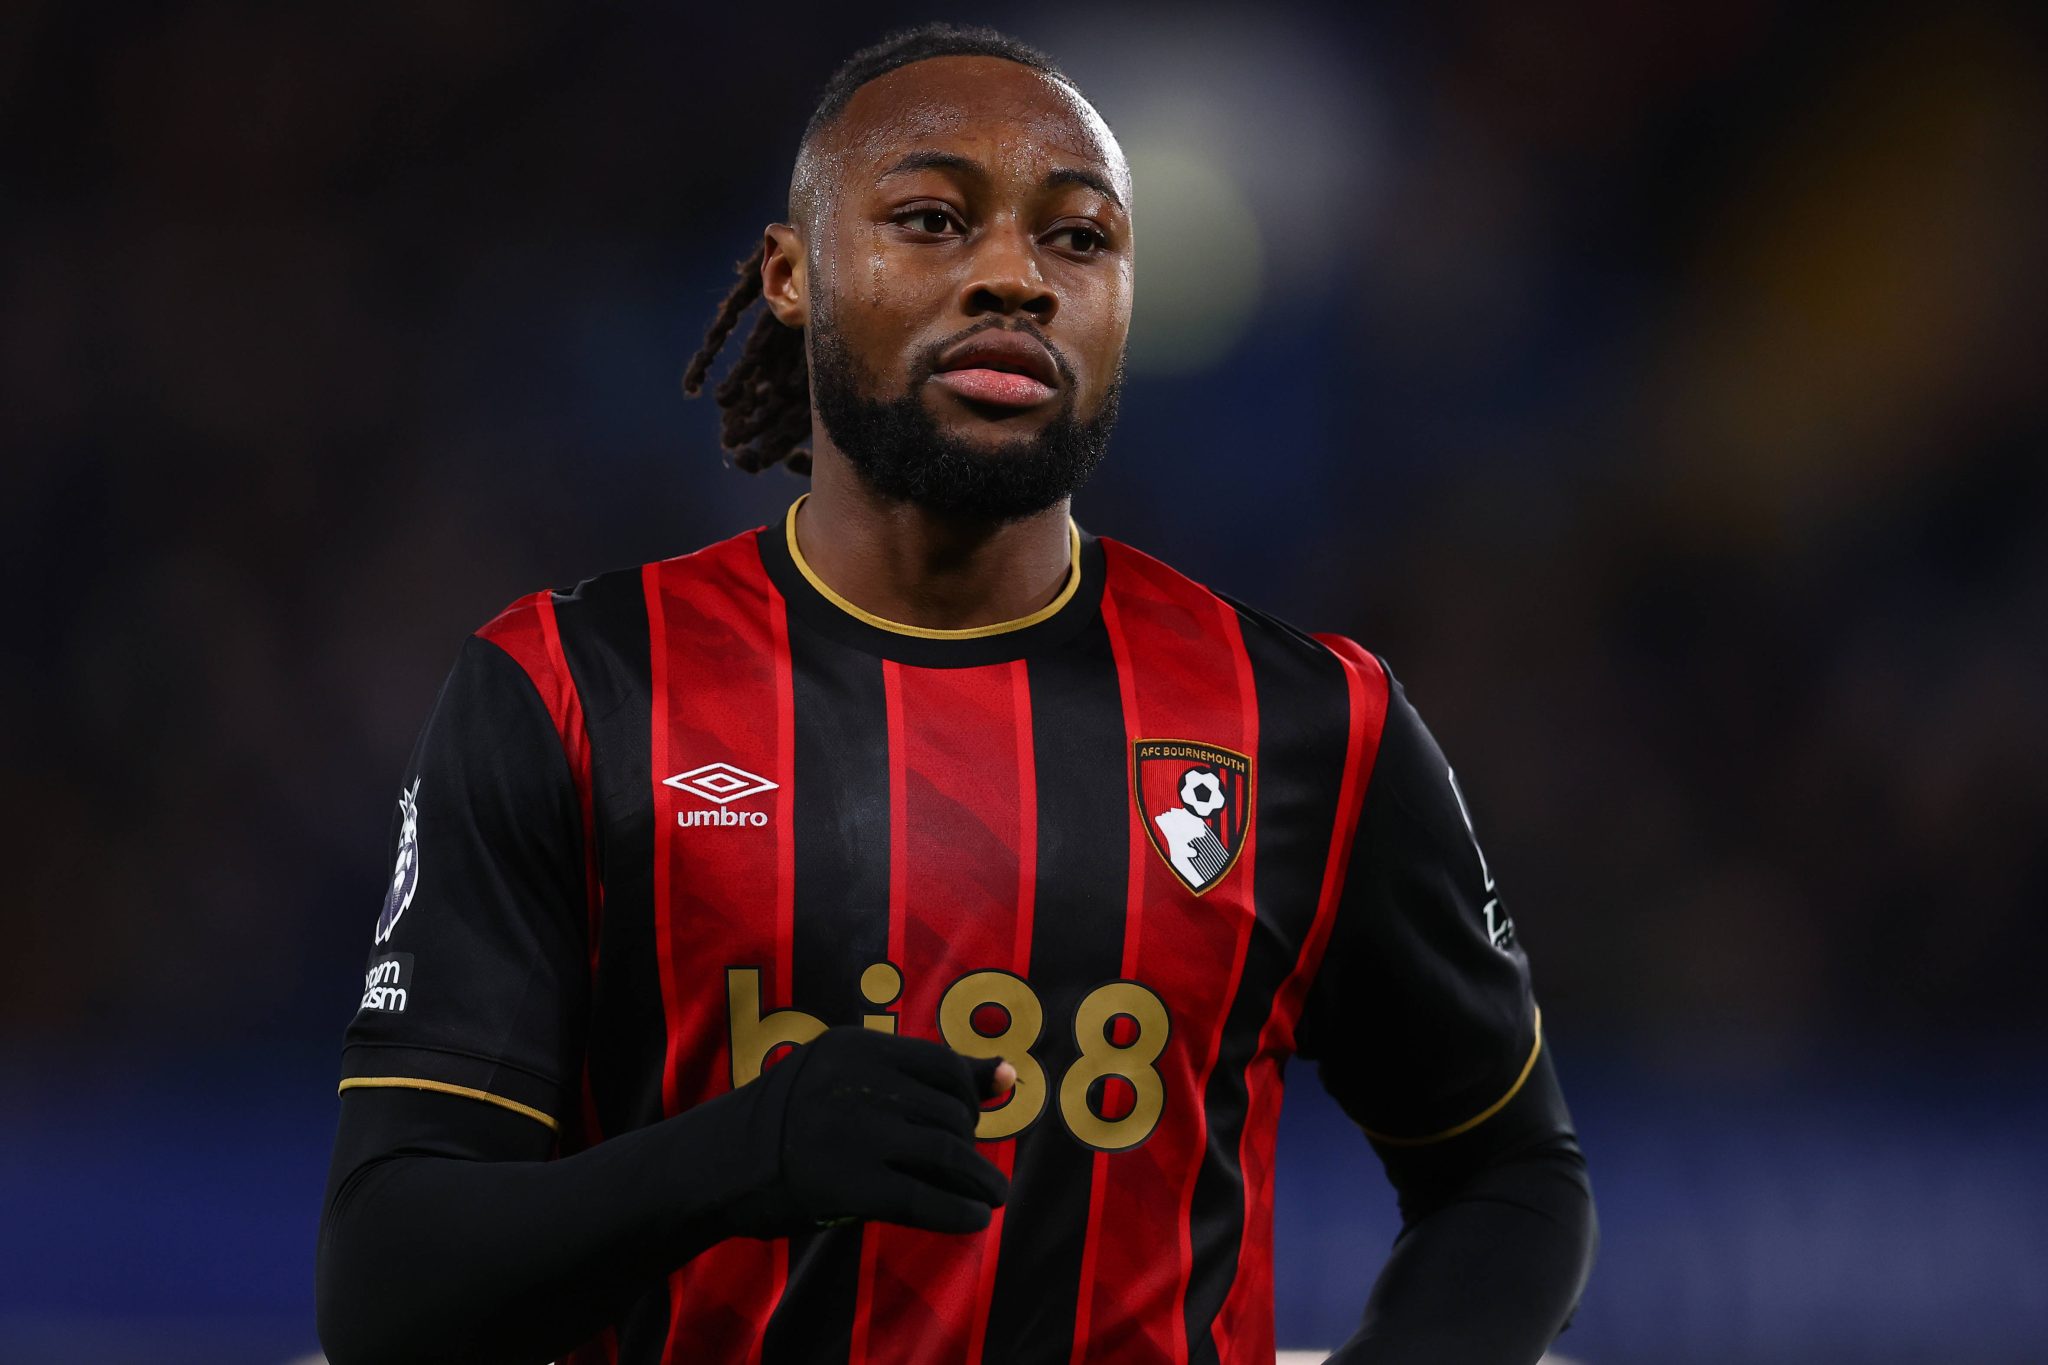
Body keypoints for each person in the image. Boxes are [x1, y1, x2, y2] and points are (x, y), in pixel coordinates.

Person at [316, 22, 1595, 1365]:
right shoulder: (571, 690)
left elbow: (1512, 1178)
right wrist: (739, 1156)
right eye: (932, 218)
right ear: (792, 275)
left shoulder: (1310, 723)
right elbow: (390, 1287)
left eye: (1079, 238)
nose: (1015, 277)